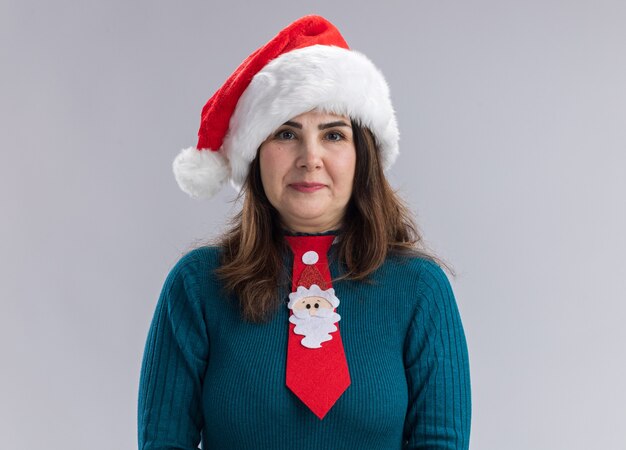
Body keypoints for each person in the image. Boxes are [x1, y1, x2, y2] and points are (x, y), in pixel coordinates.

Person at [138, 15, 471, 450]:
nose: (310, 157)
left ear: (362, 156)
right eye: (285, 133)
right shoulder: (197, 287)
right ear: (257, 155)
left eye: (333, 134)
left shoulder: (421, 291)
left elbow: (439, 442)